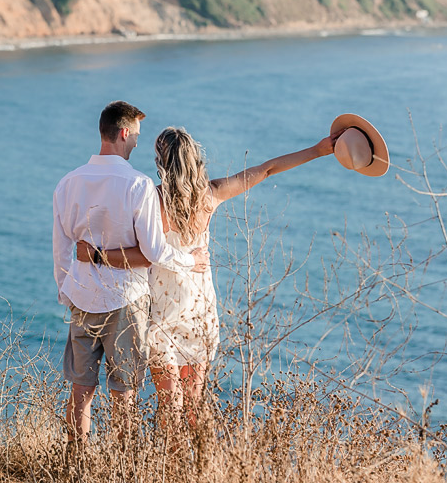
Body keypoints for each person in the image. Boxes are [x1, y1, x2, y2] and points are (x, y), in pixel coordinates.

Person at [77, 126, 340, 431]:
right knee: (194, 401)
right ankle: (204, 467)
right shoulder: (211, 195)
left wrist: (95, 255)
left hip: (161, 314)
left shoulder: (151, 202)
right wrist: (319, 150)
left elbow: (135, 254)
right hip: (199, 311)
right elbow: (266, 169)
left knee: (170, 405)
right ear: (194, 159)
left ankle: (174, 472)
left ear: (161, 162)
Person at [52, 102, 210, 447]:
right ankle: (122, 465)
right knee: (124, 394)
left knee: (81, 391)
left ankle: (75, 463)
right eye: (136, 135)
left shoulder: (68, 183)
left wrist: (67, 291)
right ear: (124, 133)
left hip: (81, 298)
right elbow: (154, 252)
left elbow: (62, 249)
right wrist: (189, 260)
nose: (138, 143)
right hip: (126, 300)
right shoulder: (138, 186)